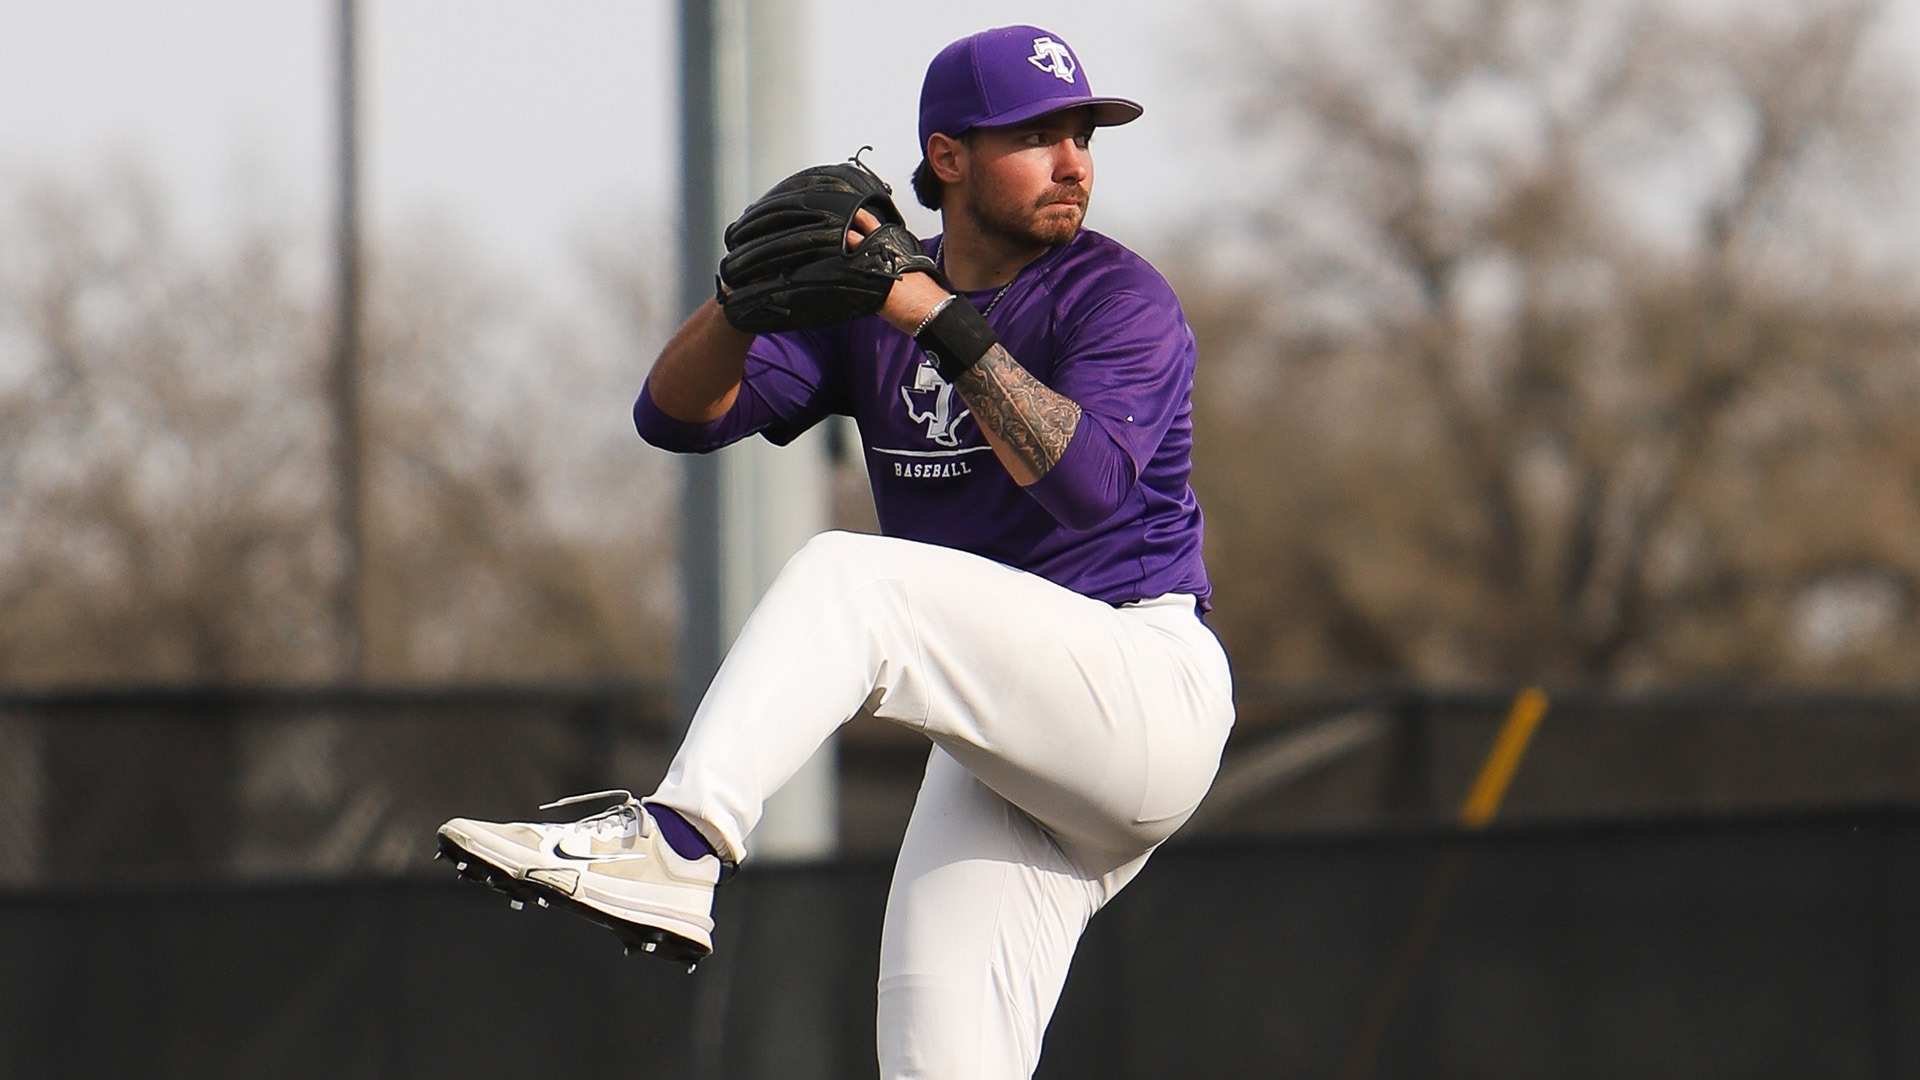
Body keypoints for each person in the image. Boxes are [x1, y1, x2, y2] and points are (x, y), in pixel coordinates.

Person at [437, 24, 1235, 1079]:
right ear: (947, 156)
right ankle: (674, 852)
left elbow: (1086, 488)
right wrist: (739, 306)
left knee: (851, 577)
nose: (1074, 159)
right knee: (934, 1058)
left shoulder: (1115, 297)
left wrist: (929, 313)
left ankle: (679, 842)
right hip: (1006, 740)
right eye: (1037, 134)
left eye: (1083, 132)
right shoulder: (871, 310)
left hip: (1141, 688)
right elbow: (675, 417)